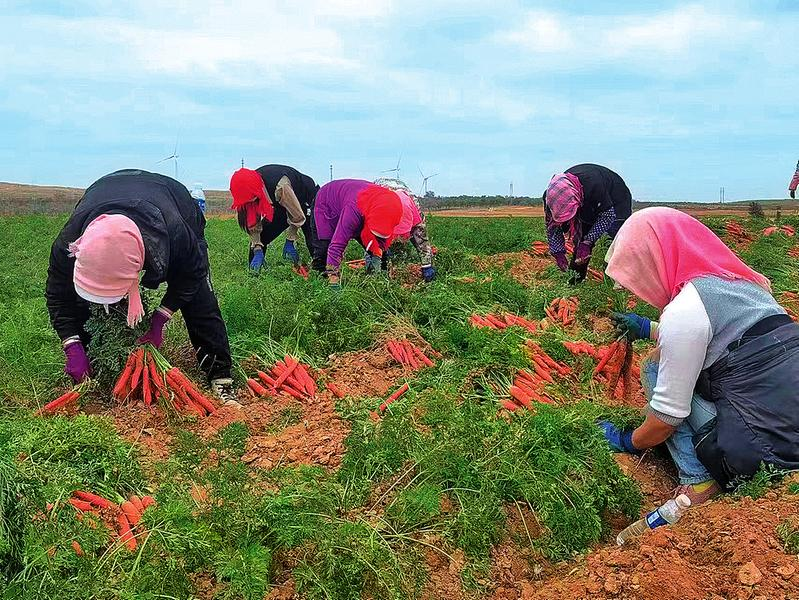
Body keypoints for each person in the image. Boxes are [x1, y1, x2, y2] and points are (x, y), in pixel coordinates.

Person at [599, 207, 799, 505]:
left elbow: (666, 419)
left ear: (655, 261)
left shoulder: (684, 312)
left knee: (655, 366)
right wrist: (650, 328)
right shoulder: (742, 284)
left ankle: (697, 479)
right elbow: (725, 338)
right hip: (788, 417)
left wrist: (628, 440)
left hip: (768, 450)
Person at [46, 169, 236, 402]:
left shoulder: (177, 235)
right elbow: (58, 294)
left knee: (200, 300)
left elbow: (191, 277)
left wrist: (161, 316)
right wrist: (71, 343)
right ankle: (91, 366)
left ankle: (220, 377)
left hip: (173, 200)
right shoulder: (70, 242)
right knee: (80, 301)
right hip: (104, 191)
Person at [543, 164, 632, 283]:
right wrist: (558, 252)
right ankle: (575, 280)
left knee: (615, 239)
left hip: (616, 198)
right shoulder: (550, 196)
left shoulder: (593, 185)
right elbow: (553, 226)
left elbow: (607, 216)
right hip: (585, 200)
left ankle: (616, 281)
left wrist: (588, 242)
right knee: (581, 240)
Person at [229, 165, 321, 273]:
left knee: (313, 240)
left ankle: (323, 273)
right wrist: (257, 247)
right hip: (280, 203)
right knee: (263, 235)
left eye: (251, 199)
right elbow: (252, 222)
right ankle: (254, 275)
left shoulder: (280, 185)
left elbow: (297, 215)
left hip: (305, 198)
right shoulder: (245, 191)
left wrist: (290, 240)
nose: (250, 202)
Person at [313, 179, 403, 287]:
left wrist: (378, 258)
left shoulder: (389, 208)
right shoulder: (353, 210)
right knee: (323, 250)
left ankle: (380, 279)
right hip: (327, 203)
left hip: (362, 208)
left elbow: (381, 242)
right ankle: (319, 284)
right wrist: (334, 279)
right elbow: (337, 245)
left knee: (376, 247)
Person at [374, 177, 436, 282]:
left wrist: (427, 265)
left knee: (419, 239)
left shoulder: (415, 209)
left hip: (403, 197)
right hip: (379, 197)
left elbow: (422, 241)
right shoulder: (376, 208)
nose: (399, 237)